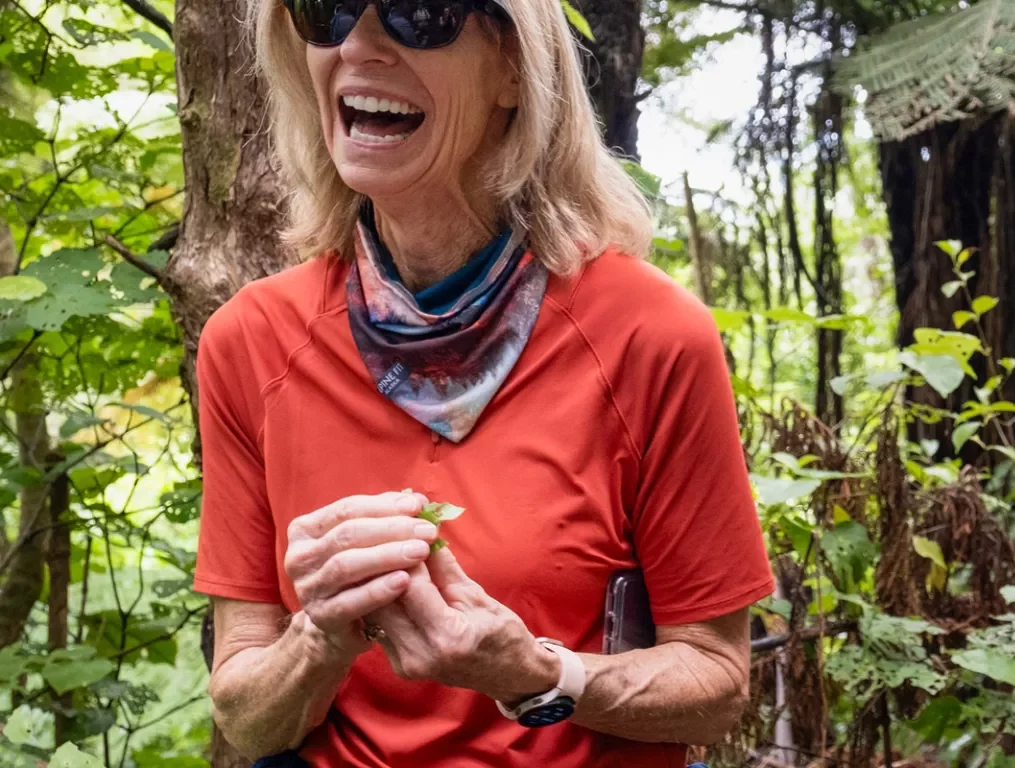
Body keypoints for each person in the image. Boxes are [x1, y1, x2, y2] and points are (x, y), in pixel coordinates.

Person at [192, 0, 775, 766]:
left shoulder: (650, 335)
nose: (360, 44)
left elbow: (717, 685)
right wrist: (320, 635)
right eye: (326, 10)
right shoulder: (251, 341)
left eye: (417, 13)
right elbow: (247, 717)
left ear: (512, 67)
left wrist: (537, 673)